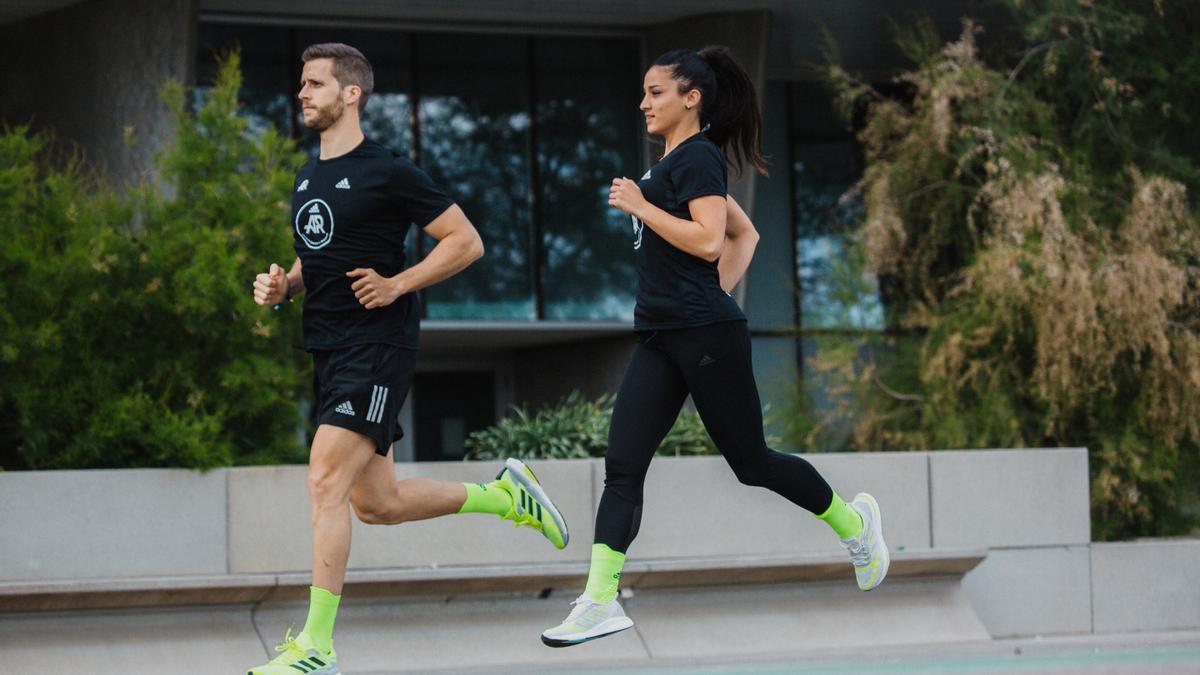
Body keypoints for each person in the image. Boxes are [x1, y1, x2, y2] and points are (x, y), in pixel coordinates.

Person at [539, 46, 889, 648]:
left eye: (656, 93)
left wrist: (649, 217)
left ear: (690, 98)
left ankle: (855, 523)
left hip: (703, 337)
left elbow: (708, 240)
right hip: (660, 336)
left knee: (751, 463)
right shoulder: (668, 165)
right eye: (644, 93)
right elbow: (741, 234)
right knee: (622, 465)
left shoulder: (698, 158)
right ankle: (599, 601)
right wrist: (709, 289)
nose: (644, 103)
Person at [248, 43, 568, 675]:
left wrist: (399, 284)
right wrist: (285, 284)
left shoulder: (389, 169)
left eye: (315, 84)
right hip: (330, 345)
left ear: (351, 94)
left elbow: (466, 241)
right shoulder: (307, 176)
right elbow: (323, 257)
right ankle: (505, 497)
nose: (302, 94)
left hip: (377, 344)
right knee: (377, 503)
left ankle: (315, 646)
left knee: (323, 481)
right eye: (301, 85)